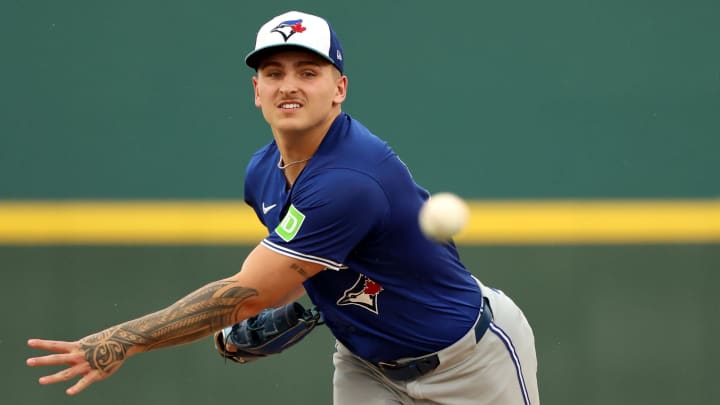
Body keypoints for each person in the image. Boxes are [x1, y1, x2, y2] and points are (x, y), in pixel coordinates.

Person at [26, 10, 539, 404]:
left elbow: (250, 293)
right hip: (366, 364)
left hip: (470, 364)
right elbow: (299, 265)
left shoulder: (350, 178)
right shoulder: (262, 173)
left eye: (308, 71)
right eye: (273, 72)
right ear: (257, 91)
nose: (288, 84)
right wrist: (268, 301)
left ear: (339, 89)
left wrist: (124, 339)